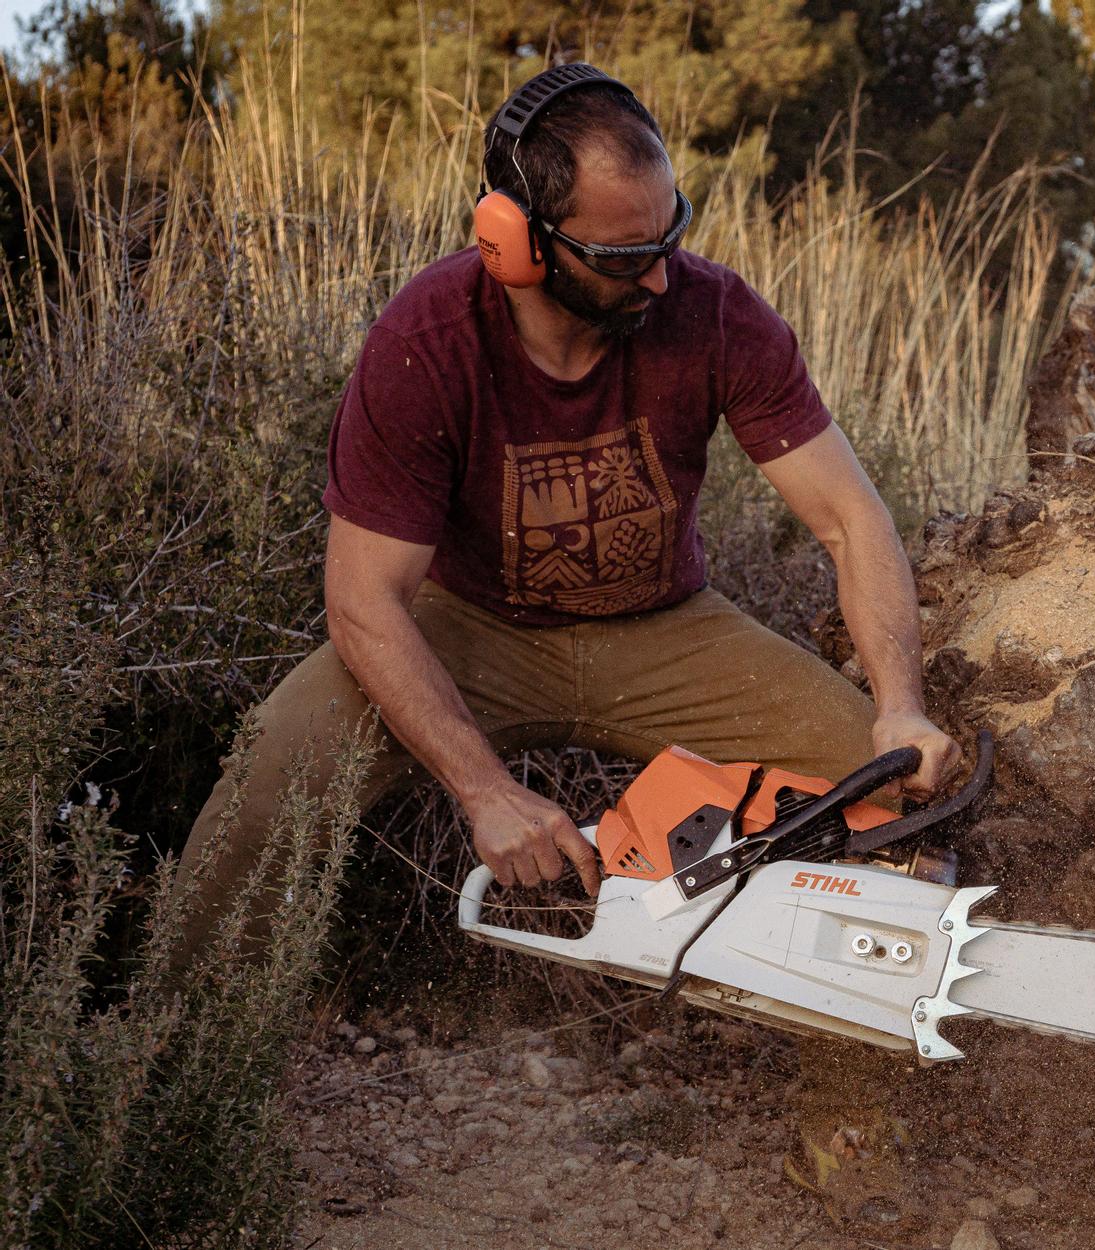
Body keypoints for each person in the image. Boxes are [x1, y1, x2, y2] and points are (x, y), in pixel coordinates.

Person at [171, 63, 956, 1224]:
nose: (662, 274)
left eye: (670, 236)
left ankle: (849, 1130)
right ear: (515, 240)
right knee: (264, 779)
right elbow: (363, 604)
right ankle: (163, 1096)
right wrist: (484, 790)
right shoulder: (424, 340)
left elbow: (851, 516)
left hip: (663, 626)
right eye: (625, 256)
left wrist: (897, 700)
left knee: (879, 785)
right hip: (464, 630)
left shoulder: (713, 309)